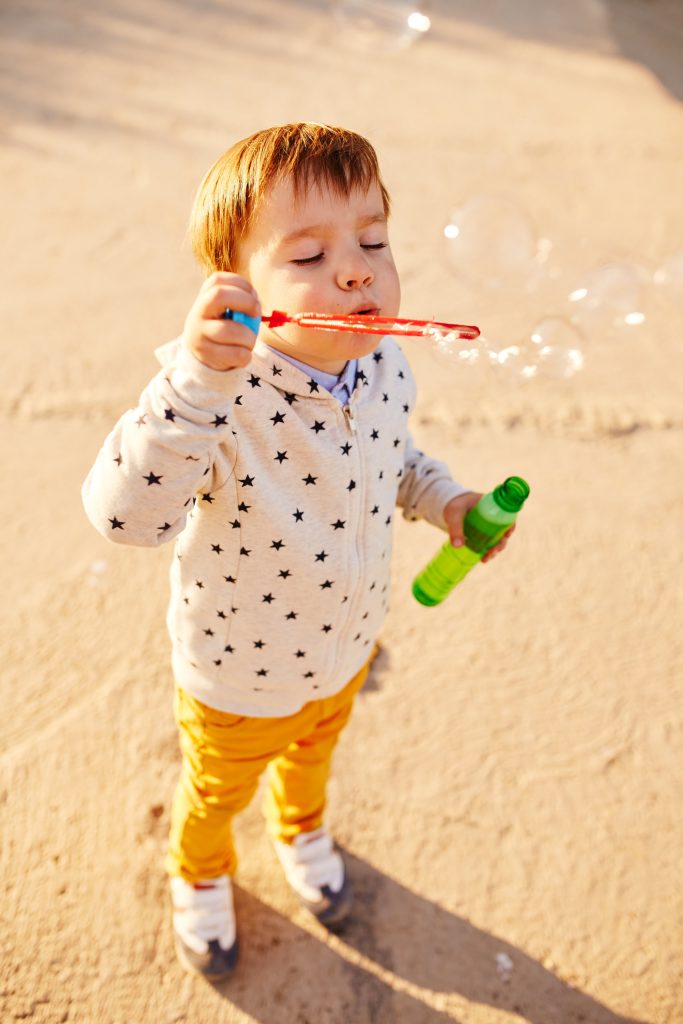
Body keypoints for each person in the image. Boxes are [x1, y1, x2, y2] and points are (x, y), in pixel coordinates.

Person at [82, 122, 513, 980]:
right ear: (236, 291)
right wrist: (197, 383)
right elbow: (125, 518)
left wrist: (445, 501)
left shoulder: (384, 369)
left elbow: (393, 459)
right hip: (239, 675)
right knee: (216, 793)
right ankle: (199, 871)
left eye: (373, 241)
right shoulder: (216, 401)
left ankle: (301, 829)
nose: (355, 270)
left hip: (344, 648)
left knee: (315, 756)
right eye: (310, 255)